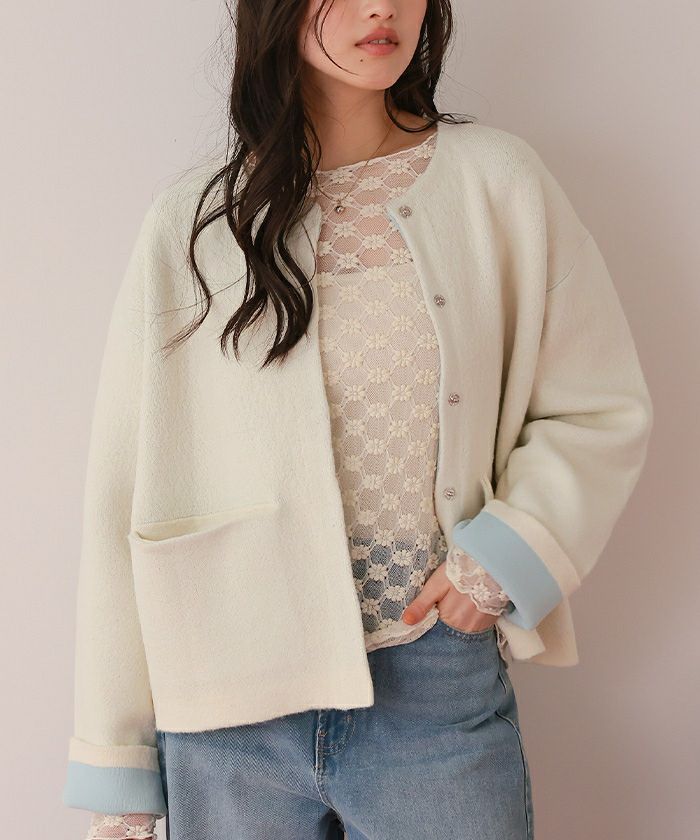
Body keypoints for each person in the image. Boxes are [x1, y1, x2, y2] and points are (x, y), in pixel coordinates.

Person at [62, 1, 654, 839]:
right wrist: (118, 757)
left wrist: (502, 559)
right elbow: (124, 492)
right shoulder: (194, 222)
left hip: (432, 683)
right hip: (226, 706)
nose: (382, 7)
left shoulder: (497, 182)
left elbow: (596, 403)